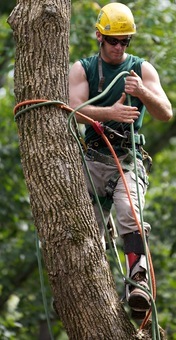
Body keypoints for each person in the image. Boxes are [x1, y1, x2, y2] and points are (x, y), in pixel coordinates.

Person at [69, 2, 172, 320]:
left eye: (125, 41)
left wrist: (143, 92)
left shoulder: (142, 69)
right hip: (94, 159)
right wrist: (109, 112)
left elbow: (165, 113)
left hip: (128, 158)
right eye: (113, 40)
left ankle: (138, 281)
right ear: (99, 36)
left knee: (130, 211)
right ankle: (84, 293)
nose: (118, 47)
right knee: (85, 230)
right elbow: (72, 109)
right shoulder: (83, 68)